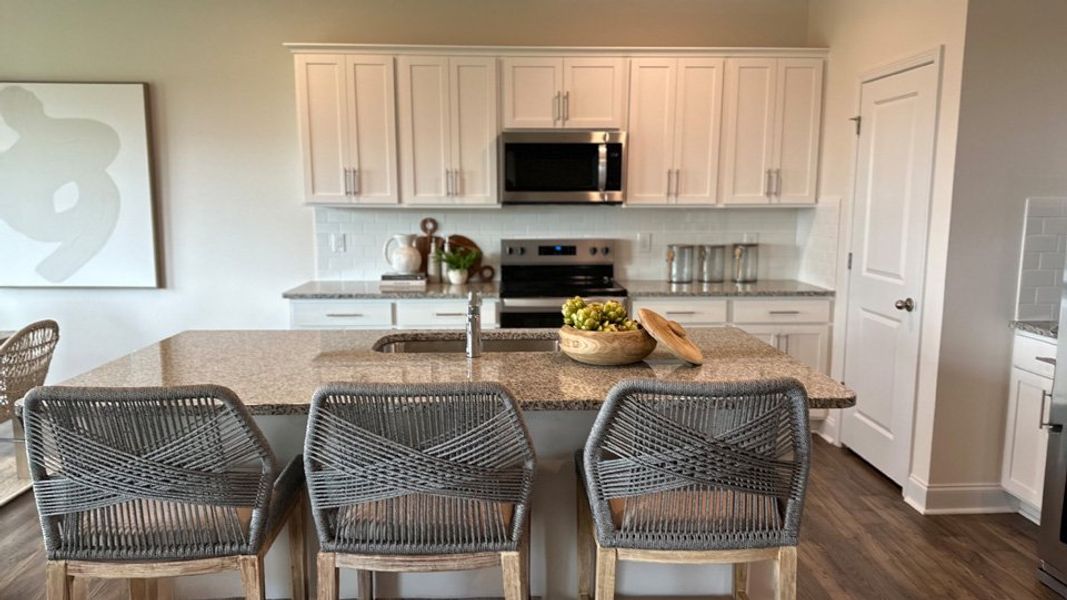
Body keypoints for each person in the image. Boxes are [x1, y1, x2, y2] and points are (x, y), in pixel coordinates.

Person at [0, 85, 120, 282]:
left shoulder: (87, 139)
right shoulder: (13, 162)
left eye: (29, 101)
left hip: (54, 222)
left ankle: (54, 270)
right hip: (41, 223)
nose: (31, 107)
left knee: (100, 191)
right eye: (23, 105)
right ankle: (54, 271)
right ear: (10, 119)